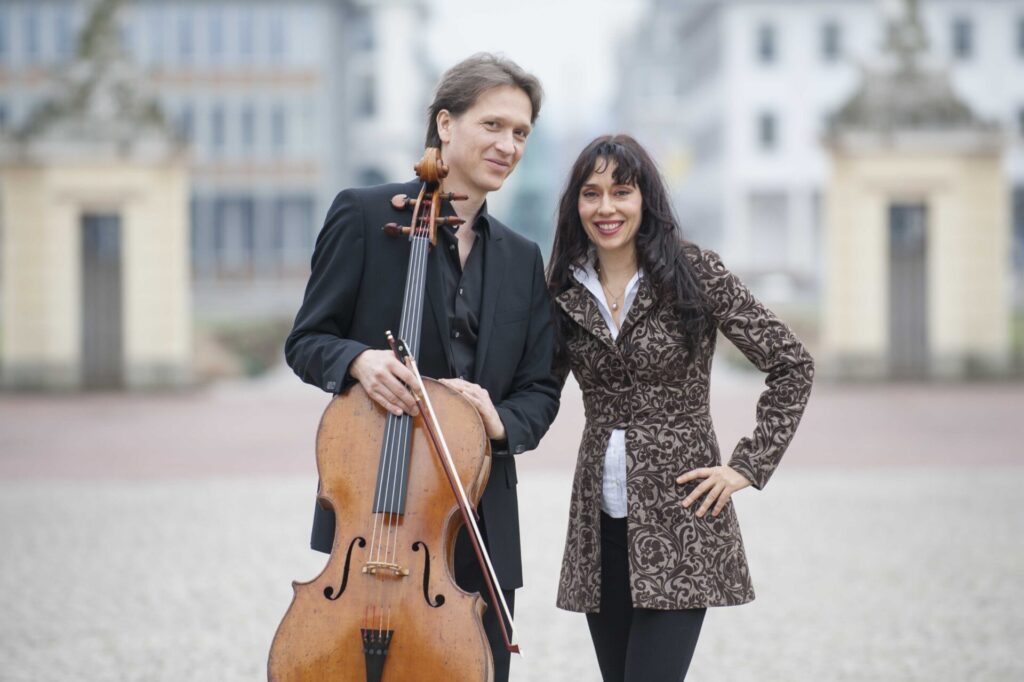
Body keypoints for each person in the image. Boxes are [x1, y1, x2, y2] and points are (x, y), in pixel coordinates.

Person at [284, 53, 560, 682]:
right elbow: (306, 340)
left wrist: (497, 420)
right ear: (445, 123)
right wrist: (357, 361)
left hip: (481, 524)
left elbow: (541, 390)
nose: (508, 145)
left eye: (521, 133)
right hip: (376, 526)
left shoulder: (522, 258)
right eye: (493, 125)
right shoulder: (361, 215)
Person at [546, 135, 814, 682]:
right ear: (576, 204)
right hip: (598, 524)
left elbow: (792, 364)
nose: (606, 208)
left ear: (645, 200)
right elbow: (533, 386)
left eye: (621, 191)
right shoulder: (562, 290)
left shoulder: (693, 272)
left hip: (682, 518)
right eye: (591, 193)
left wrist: (747, 466)